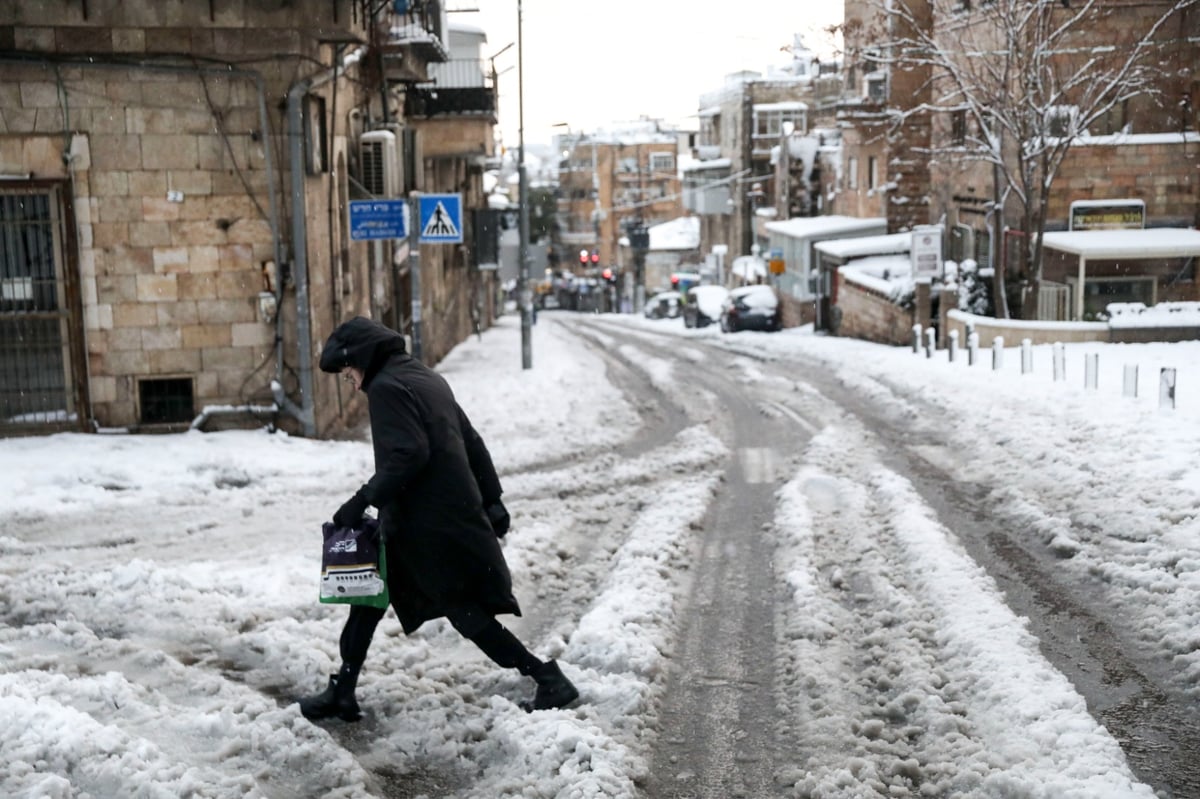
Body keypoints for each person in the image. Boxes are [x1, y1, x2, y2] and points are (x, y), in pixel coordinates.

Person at [299, 316, 578, 721]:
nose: (352, 384)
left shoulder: (386, 388)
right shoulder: (425, 377)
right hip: (441, 515)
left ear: (359, 360)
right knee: (368, 594)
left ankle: (546, 677)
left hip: (428, 526)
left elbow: (409, 454)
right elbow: (470, 439)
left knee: (463, 610)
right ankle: (342, 690)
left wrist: (360, 501)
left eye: (348, 374)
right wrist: (493, 499)